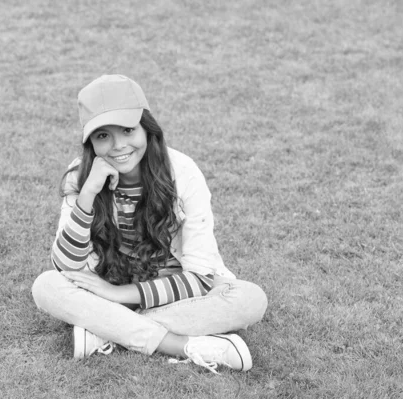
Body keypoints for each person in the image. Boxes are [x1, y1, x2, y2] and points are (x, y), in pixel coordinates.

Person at [32, 74, 267, 373]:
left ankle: (106, 329)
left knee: (249, 299)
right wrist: (88, 193)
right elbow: (65, 266)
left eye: (128, 130)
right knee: (46, 286)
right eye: (103, 135)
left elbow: (201, 277)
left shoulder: (182, 173)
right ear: (90, 142)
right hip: (110, 280)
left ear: (148, 128)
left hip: (173, 292)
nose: (118, 146)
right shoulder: (81, 175)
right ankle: (184, 346)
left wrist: (116, 296)